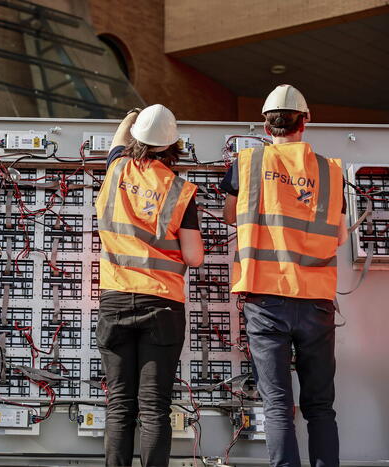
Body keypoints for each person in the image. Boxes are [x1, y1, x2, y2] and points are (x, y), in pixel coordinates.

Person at [220, 84, 348, 467]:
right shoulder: (330, 171)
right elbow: (340, 235)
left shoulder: (246, 164)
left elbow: (230, 215)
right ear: (305, 120)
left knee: (278, 406)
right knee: (321, 406)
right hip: (316, 300)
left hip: (266, 299)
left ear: (266, 123)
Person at [95, 104, 204, 467]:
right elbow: (194, 257)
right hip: (162, 305)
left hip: (114, 302)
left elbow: (117, 141)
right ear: (174, 145)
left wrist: (130, 117)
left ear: (137, 139)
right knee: (154, 408)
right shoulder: (179, 191)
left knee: (120, 405)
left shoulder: (116, 169)